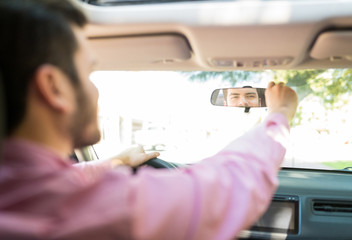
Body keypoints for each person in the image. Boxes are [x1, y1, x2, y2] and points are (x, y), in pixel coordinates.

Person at [0, 0, 298, 239]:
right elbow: (230, 187)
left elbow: (63, 178)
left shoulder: (19, 192)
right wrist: (279, 115)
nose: (95, 89)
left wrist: (116, 161)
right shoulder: (106, 208)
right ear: (54, 87)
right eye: (89, 73)